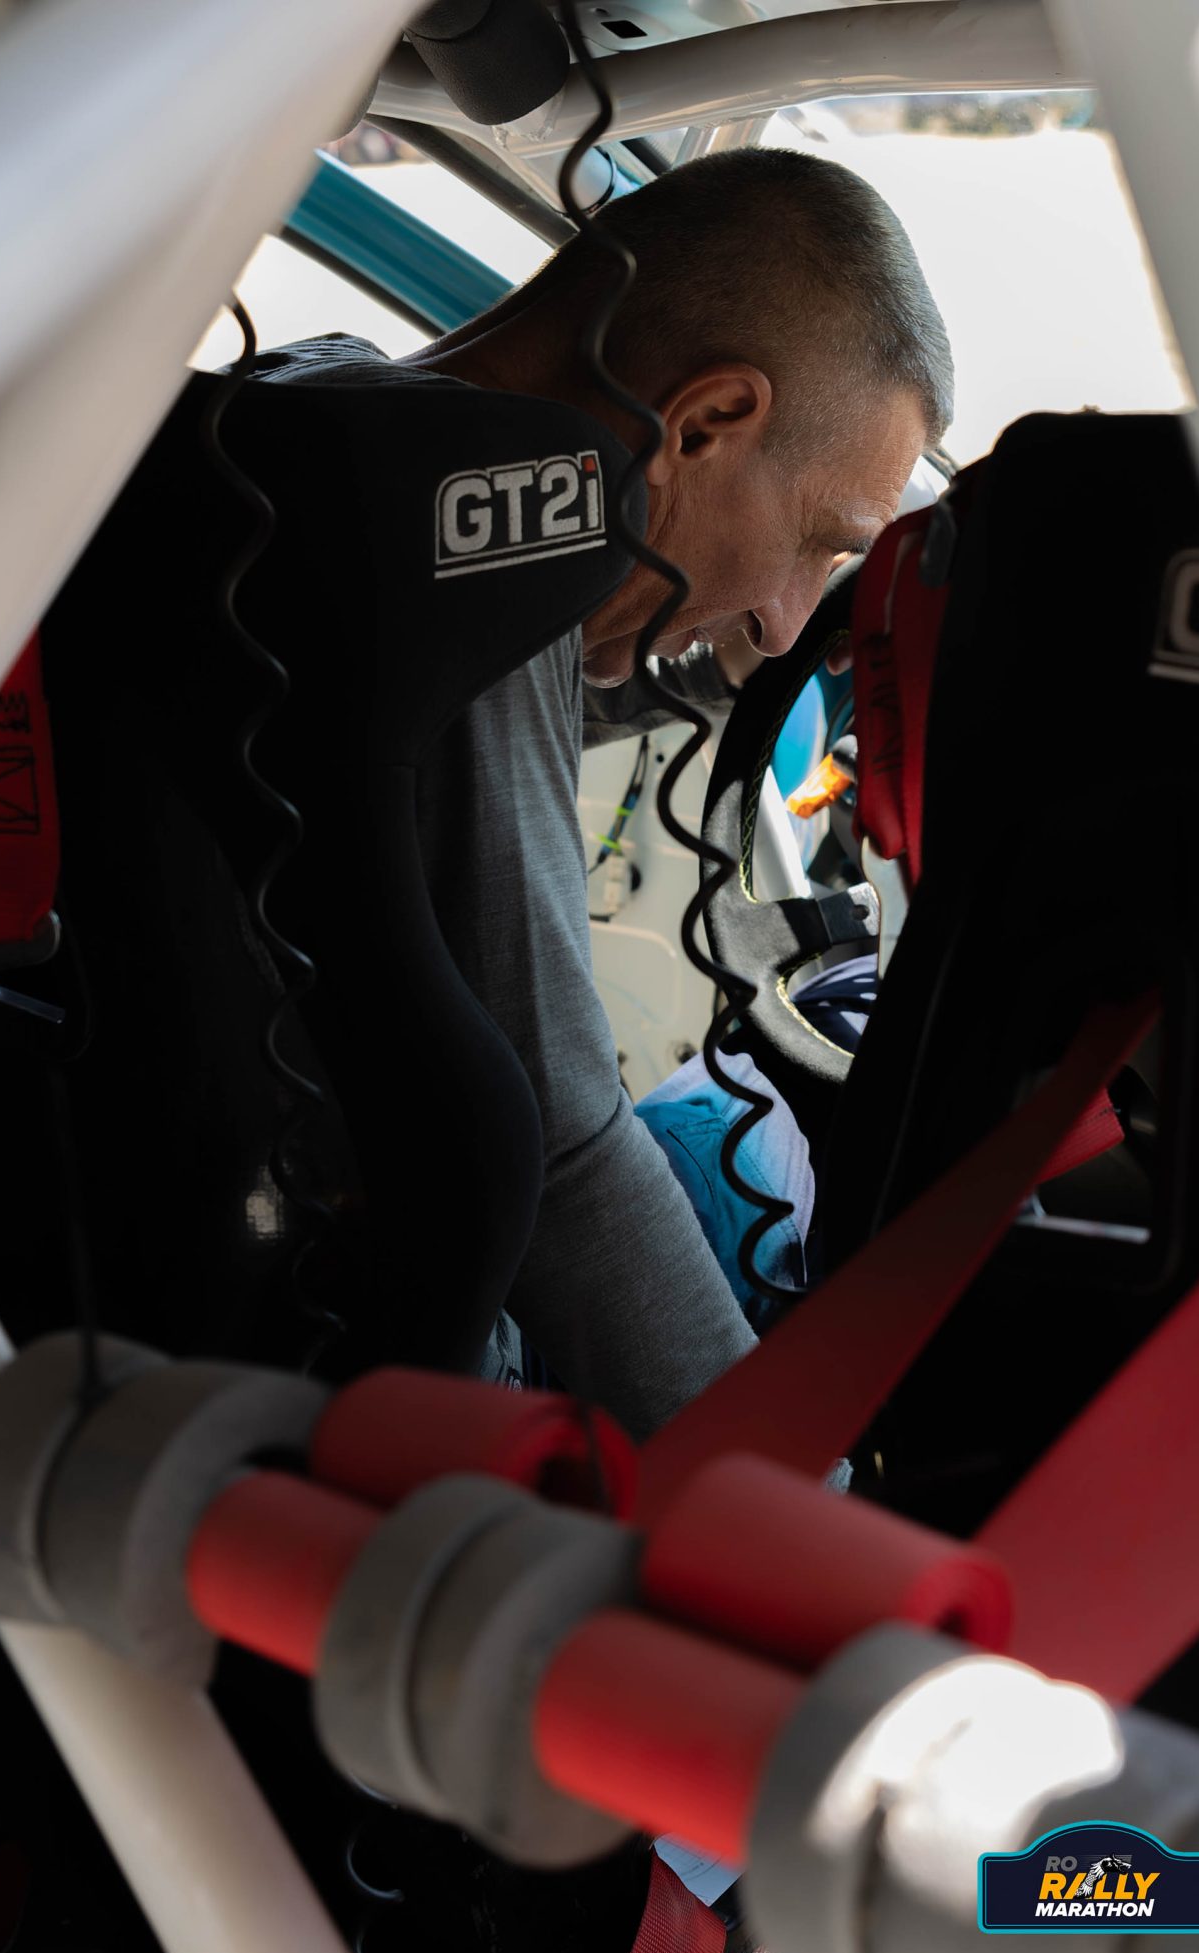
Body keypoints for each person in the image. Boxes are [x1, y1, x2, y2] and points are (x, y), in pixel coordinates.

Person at [244, 146, 952, 1437]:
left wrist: (725, 653)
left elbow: (484, 726)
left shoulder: (315, 421)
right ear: (704, 423)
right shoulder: (473, 550)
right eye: (819, 543)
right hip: (393, 1412)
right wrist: (790, 1502)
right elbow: (562, 1148)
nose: (787, 622)